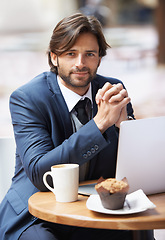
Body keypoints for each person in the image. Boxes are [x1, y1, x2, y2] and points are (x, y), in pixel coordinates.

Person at [0, 13, 136, 240]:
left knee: (132, 231)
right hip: (35, 213)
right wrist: (100, 124)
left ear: (99, 59)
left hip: (93, 208)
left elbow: (134, 169)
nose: (80, 63)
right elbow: (40, 171)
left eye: (89, 54)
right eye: (70, 54)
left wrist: (126, 128)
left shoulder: (112, 90)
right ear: (54, 57)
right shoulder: (27, 98)